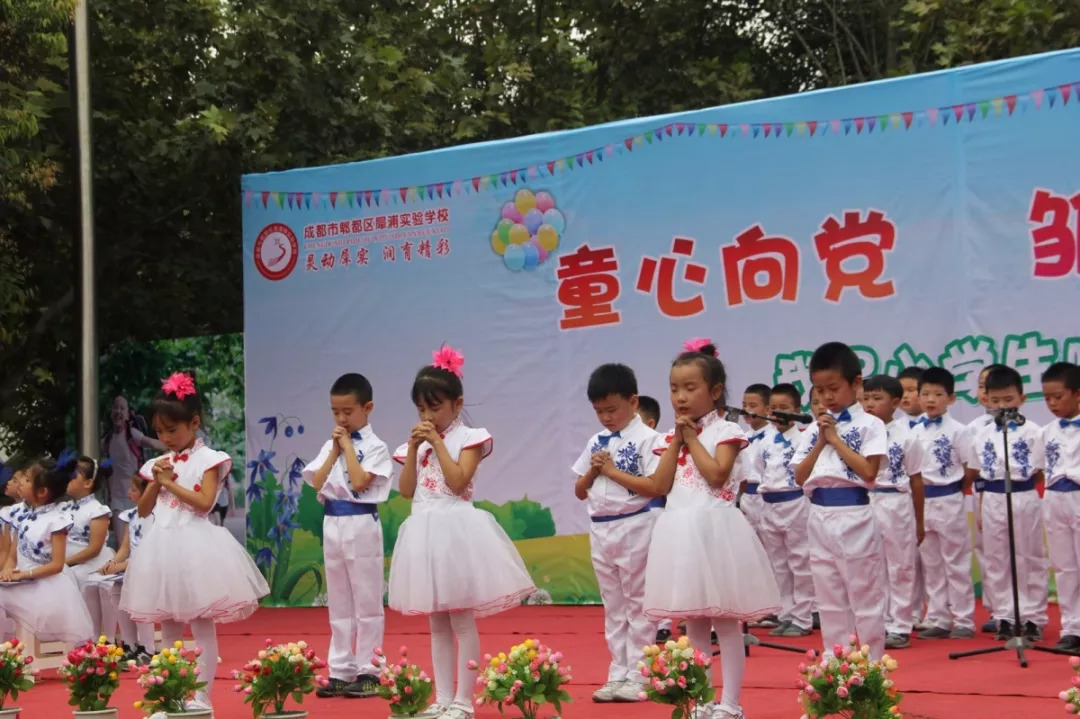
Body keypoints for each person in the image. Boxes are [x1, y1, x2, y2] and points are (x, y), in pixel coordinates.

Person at [389, 346, 535, 719]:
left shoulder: (468, 437)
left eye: (434, 408)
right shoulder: (416, 446)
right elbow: (406, 491)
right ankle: (441, 699)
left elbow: (457, 483)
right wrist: (413, 447)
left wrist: (436, 442)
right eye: (421, 409)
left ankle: (464, 702)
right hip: (423, 532)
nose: (427, 415)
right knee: (437, 622)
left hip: (456, 531)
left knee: (461, 620)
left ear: (457, 403)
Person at [637, 339, 780, 719]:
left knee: (726, 623)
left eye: (690, 388)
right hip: (680, 535)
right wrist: (677, 441)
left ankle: (731, 703)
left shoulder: (726, 430)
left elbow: (717, 476)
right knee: (694, 624)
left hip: (716, 533)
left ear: (715, 391)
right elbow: (660, 485)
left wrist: (691, 439)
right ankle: (701, 700)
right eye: (673, 388)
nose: (680, 397)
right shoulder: (673, 437)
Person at [119, 372, 270, 713]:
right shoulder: (158, 463)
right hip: (162, 548)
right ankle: (174, 694)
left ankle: (202, 698)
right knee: (169, 627)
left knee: (202, 626)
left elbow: (204, 503)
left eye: (172, 430)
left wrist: (169, 484)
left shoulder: (210, 459)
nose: (166, 438)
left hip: (197, 547)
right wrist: (157, 483)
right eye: (159, 431)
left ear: (194, 422)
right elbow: (142, 511)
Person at [573, 363, 663, 704]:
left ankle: (641, 673)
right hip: (601, 528)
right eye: (599, 411)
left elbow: (654, 487)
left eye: (612, 410)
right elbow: (580, 490)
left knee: (637, 602)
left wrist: (611, 470)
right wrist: (594, 472)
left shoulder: (650, 439)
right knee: (613, 605)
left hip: (636, 523)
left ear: (633, 401)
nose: (606, 418)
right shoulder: (595, 441)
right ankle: (617, 672)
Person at [793, 341, 888, 660]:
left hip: (855, 514)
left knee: (864, 597)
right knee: (829, 598)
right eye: (819, 390)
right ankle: (836, 669)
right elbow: (800, 477)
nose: (827, 397)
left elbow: (869, 472)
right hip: (818, 514)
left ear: (856, 383)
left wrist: (835, 439)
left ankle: (873, 671)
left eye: (833, 388)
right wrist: (821, 440)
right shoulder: (813, 429)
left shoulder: (870, 424)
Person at [303, 372, 394, 700]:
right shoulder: (331, 444)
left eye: (348, 412)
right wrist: (334, 451)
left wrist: (347, 448)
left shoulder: (376, 446)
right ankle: (340, 670)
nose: (341, 418)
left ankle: (371, 670)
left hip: (361, 524)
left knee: (367, 601)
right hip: (333, 523)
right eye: (335, 412)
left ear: (367, 408)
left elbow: (358, 483)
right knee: (339, 600)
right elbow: (317, 483)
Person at [966, 365, 1048, 640]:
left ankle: (1033, 616)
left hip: (1024, 495)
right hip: (992, 497)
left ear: (1022, 398)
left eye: (1009, 400)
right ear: (986, 399)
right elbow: (977, 472)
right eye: (996, 400)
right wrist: (981, 507)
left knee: (1029, 555)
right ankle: (1004, 615)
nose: (1002, 406)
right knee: (996, 558)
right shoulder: (982, 433)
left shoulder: (1034, 431)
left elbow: (1039, 469)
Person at [910, 367, 976, 640]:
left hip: (949, 497)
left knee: (956, 561)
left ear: (950, 398)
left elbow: (970, 467)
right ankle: (937, 617)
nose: (931, 399)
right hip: (922, 500)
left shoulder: (959, 431)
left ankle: (964, 619)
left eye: (938, 394)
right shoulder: (913, 429)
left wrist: (956, 489)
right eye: (925, 394)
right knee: (931, 562)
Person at [862, 375, 925, 649]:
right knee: (871, 565)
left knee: (900, 564)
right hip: (865, 500)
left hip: (896, 500)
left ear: (896, 403)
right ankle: (878, 622)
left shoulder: (907, 435)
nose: (870, 404)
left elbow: (916, 479)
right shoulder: (859, 432)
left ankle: (900, 624)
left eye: (877, 399)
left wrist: (919, 521)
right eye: (866, 398)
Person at [0, 463, 94, 642]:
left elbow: (57, 565)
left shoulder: (56, 521)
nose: (21, 483)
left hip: (47, 586)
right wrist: (7, 570)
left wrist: (25, 574)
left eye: (27, 480)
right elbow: (13, 555)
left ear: (42, 492)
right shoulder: (22, 517)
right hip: (21, 583)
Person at [754, 383, 814, 638]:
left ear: (798, 411)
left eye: (785, 409)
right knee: (778, 564)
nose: (778, 414)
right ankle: (785, 614)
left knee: (800, 561)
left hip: (795, 502)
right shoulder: (763, 441)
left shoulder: (803, 439)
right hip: (769, 504)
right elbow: (758, 471)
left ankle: (803, 617)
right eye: (774, 409)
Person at [93, 475, 156, 665]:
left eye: (134, 490)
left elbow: (150, 552)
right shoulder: (131, 515)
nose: (129, 493)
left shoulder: (156, 517)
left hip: (149, 566)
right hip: (132, 565)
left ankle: (148, 648)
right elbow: (125, 547)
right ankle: (130, 644)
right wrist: (112, 562)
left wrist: (122, 565)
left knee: (139, 597)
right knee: (115, 589)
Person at [1041, 362, 1080, 650]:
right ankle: (1072, 628)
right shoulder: (1046, 432)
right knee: (1064, 566)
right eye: (1047, 398)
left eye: (1058, 397)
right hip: (1055, 497)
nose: (1052, 403)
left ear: (1077, 394)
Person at [970, 364, 1007, 633]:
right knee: (987, 551)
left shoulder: (1024, 427)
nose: (986, 391)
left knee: (1016, 552)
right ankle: (997, 609)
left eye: (991, 386)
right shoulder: (973, 428)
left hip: (1012, 494)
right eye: (982, 386)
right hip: (982, 492)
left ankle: (1024, 612)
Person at [65, 456, 118, 641]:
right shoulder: (63, 508)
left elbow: (94, 549)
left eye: (73, 475)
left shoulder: (98, 510)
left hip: (91, 563)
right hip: (69, 564)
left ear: (88, 483)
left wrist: (64, 563)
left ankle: (101, 640)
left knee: (77, 577)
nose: (67, 478)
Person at [100, 395, 165, 544]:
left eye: (122, 408)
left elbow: (154, 444)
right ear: (111, 413)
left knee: (138, 542)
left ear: (128, 415)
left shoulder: (132, 434)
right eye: (115, 407)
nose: (118, 411)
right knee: (122, 543)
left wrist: (174, 448)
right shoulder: (107, 440)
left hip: (135, 497)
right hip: (116, 498)